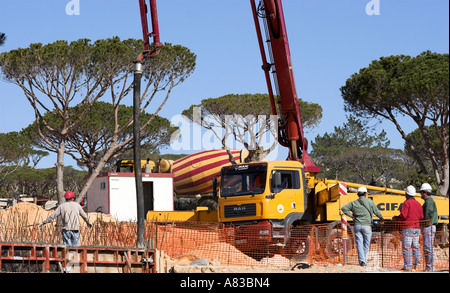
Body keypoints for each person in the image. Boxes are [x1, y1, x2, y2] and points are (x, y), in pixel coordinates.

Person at [341, 186, 384, 266]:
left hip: (357, 225)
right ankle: (364, 260)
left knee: (359, 243)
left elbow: (344, 208)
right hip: (367, 226)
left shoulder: (354, 203)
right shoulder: (370, 202)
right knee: (366, 244)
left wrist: (351, 216)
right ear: (365, 194)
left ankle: (361, 261)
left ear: (358, 194)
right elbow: (376, 212)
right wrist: (381, 218)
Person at [393, 185, 424, 271]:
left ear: (406, 193)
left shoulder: (406, 203)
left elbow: (403, 215)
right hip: (416, 229)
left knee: (406, 248)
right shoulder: (418, 204)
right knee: (415, 247)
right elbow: (421, 216)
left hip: (407, 228)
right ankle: (417, 265)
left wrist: (396, 218)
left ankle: (407, 266)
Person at [420, 183, 438, 271]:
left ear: (425, 193)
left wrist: (423, 224)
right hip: (429, 226)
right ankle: (429, 267)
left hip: (428, 227)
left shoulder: (429, 202)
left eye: (421, 193)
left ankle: (430, 268)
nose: (420, 195)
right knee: (428, 247)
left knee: (428, 247)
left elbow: (428, 215)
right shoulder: (428, 201)